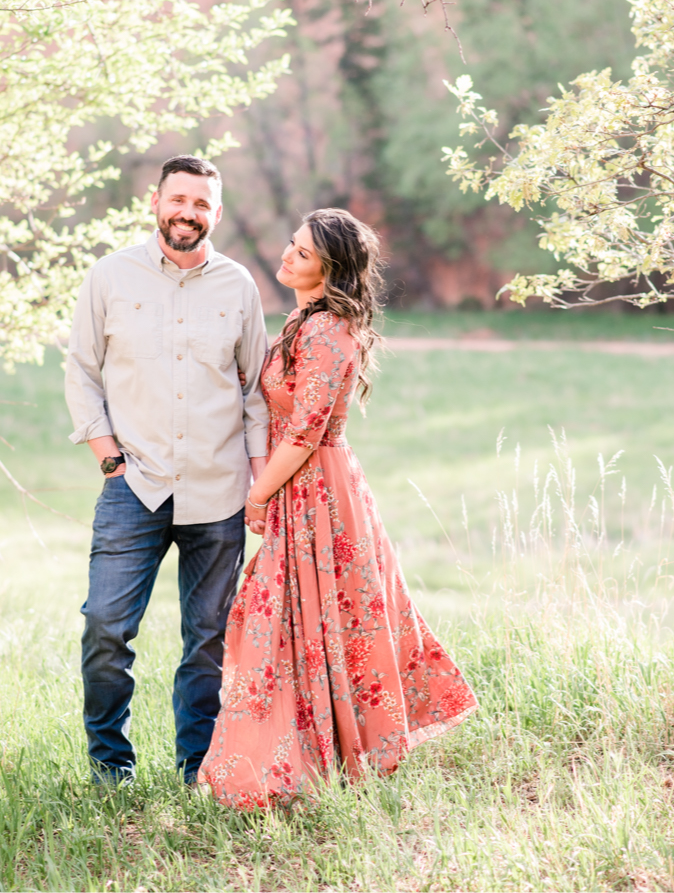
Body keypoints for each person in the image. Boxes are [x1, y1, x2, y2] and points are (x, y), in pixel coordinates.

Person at [197, 207, 477, 809]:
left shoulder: (327, 332)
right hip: (298, 484)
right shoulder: (306, 319)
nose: (285, 257)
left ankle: (309, 759)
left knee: (311, 617)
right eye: (291, 245)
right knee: (297, 619)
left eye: (299, 253)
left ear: (331, 268)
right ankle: (300, 755)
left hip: (315, 488)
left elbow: (303, 433)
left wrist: (257, 494)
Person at [66, 154, 270, 784]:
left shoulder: (239, 286)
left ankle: (198, 772)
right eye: (178, 200)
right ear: (155, 202)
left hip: (220, 491)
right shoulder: (109, 277)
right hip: (135, 486)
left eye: (202, 203)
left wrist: (259, 489)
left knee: (206, 643)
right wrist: (108, 458)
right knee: (106, 629)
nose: (188, 213)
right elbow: (82, 370)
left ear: (217, 211)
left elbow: (256, 393)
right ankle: (110, 769)